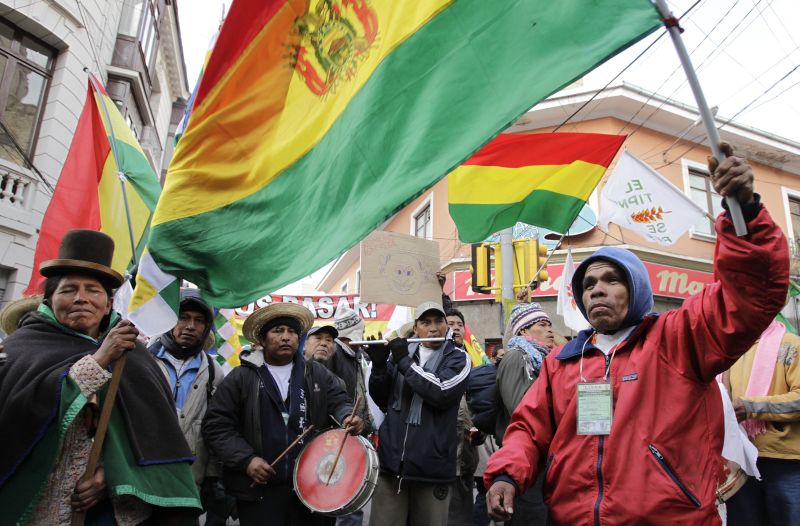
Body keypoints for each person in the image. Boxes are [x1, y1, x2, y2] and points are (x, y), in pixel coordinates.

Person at [484, 145, 790, 525]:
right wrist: (506, 473)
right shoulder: (561, 363)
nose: (597, 289)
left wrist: (744, 213)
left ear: (637, 290)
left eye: (612, 280)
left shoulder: (678, 339)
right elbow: (528, 430)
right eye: (589, 283)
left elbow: (749, 294)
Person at [0, 229, 201, 524]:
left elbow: (151, 436)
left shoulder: (134, 358)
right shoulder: (20, 350)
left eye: (93, 290)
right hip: (37, 507)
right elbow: (20, 416)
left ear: (108, 304)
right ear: (50, 299)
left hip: (109, 509)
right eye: (69, 289)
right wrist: (101, 358)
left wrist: (111, 476)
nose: (81, 298)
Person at [202, 302, 363, 526]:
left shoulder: (316, 373)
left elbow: (338, 400)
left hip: (312, 488)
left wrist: (347, 416)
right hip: (260, 492)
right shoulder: (241, 377)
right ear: (262, 339)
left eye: (292, 332)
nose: (286, 337)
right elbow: (216, 425)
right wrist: (246, 460)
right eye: (278, 331)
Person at [367, 302, 471, 526]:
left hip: (432, 469)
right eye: (426, 322)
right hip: (391, 467)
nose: (433, 328)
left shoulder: (459, 358)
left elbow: (440, 391)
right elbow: (383, 400)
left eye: (438, 322)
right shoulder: (400, 356)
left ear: (446, 327)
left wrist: (404, 361)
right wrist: (379, 367)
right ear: (416, 328)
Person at [148, 288, 227, 524]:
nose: (191, 326)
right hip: (143, 476)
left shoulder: (214, 372)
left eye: (199, 320)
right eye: (183, 317)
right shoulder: (143, 359)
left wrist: (211, 477)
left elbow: (215, 428)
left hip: (187, 481)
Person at [724, 318, 800, 525]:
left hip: (785, 463)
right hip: (740, 463)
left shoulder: (791, 345)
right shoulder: (731, 350)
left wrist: (752, 407)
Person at [493, 302, 555, 526]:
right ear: (524, 331)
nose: (550, 330)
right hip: (525, 458)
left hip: (541, 459)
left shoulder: (542, 360)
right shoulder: (517, 358)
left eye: (550, 324)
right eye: (541, 324)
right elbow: (520, 409)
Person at [445, 308, 482, 526]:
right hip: (443, 456)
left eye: (459, 324)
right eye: (450, 324)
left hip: (466, 454)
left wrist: (479, 428)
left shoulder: (469, 360)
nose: (456, 328)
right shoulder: (436, 360)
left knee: (463, 515)